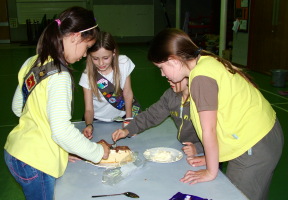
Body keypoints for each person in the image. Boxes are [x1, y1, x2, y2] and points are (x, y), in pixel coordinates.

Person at [147, 28, 284, 200]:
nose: (162, 74)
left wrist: (211, 171)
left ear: (174, 60)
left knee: (236, 196)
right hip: (263, 136)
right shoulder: (205, 62)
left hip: (253, 145)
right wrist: (210, 157)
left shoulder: (200, 78)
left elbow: (209, 130)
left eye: (161, 67)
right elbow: (222, 117)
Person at [4, 7, 110, 200]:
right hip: (36, 162)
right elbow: (60, 131)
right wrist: (96, 151)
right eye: (87, 48)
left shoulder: (33, 62)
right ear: (75, 37)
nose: (85, 55)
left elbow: (18, 108)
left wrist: (59, 151)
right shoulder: (60, 76)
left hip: (15, 153)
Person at [112, 78, 204, 158]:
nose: (169, 81)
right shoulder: (171, 95)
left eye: (174, 78)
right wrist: (127, 130)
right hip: (186, 147)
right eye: (168, 78)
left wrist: (199, 148)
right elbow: (151, 115)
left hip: (207, 151)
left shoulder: (202, 99)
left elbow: (215, 131)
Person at [79, 31, 140, 139]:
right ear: (89, 56)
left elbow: (128, 93)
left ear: (113, 53)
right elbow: (88, 109)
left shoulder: (124, 63)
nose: (101, 63)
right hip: (96, 120)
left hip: (121, 117)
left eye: (105, 58)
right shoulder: (87, 75)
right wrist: (89, 125)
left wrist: (129, 120)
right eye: (95, 59)